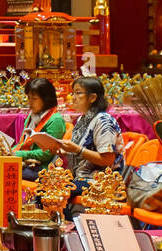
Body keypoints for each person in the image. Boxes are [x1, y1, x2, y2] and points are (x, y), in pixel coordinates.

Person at [40, 76, 121, 215]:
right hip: (79, 177)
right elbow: (81, 151)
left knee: (54, 192)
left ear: (92, 98)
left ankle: (65, 229)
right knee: (45, 186)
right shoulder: (83, 119)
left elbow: (107, 160)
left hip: (98, 180)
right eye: (73, 93)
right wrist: (62, 150)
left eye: (78, 93)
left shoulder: (104, 121)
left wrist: (77, 149)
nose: (73, 97)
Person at [13, 77, 67, 182]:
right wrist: (9, 152)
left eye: (34, 99)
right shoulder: (32, 116)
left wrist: (18, 154)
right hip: (29, 163)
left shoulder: (55, 120)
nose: (30, 102)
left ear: (46, 99)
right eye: (28, 98)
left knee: (7, 172)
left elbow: (47, 154)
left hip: (44, 168)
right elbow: (23, 143)